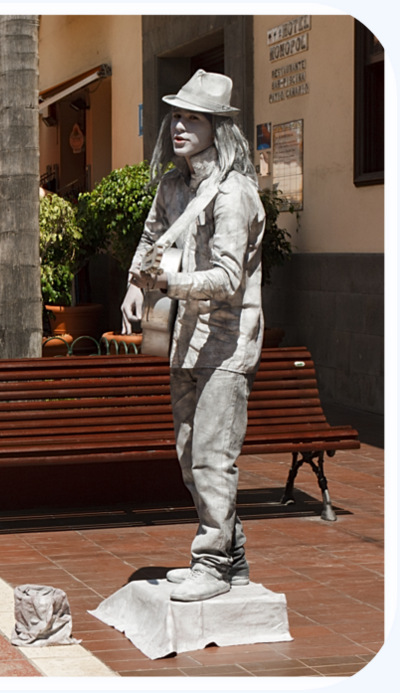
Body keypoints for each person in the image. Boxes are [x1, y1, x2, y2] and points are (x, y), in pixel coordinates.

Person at [120, 70, 265, 603]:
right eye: (176, 116)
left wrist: (169, 283)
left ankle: (210, 563)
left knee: (211, 454)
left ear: (217, 128)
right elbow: (152, 238)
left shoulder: (235, 195)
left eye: (192, 118)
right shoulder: (174, 186)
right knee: (189, 453)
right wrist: (136, 283)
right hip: (184, 338)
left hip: (228, 343)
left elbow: (228, 279)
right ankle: (234, 559)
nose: (179, 126)